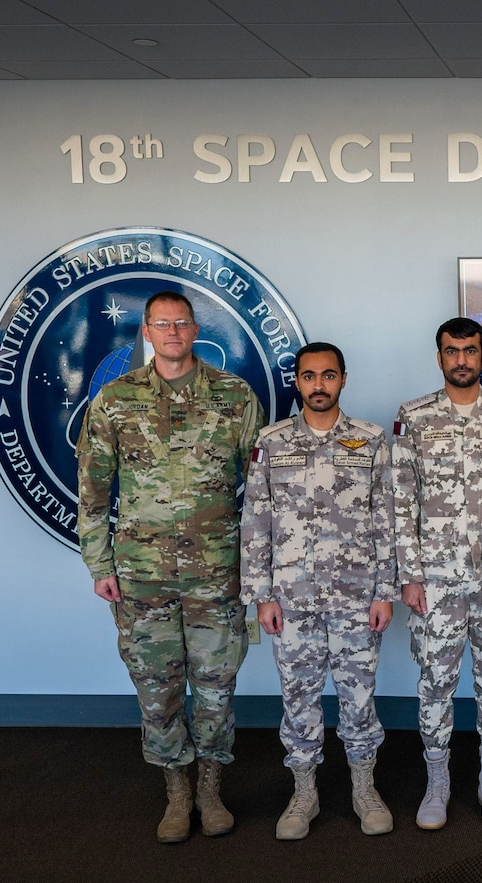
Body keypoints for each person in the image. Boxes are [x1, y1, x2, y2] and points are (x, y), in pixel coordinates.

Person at [77, 290, 261, 843]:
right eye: (162, 323)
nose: (173, 331)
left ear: (195, 327)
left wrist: (256, 566)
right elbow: (93, 488)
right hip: (142, 573)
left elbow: (262, 490)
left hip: (217, 571)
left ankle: (210, 786)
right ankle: (176, 791)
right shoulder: (115, 399)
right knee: (156, 687)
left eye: (181, 322)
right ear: (147, 332)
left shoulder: (234, 396)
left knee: (215, 684)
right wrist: (98, 561)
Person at [241, 342, 396, 841]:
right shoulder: (273, 440)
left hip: (356, 595)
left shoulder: (370, 440)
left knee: (358, 696)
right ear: (298, 382)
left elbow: (387, 520)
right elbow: (256, 520)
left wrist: (384, 591)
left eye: (328, 376)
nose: (319, 386)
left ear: (343, 380)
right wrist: (261, 594)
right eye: (309, 377)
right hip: (292, 597)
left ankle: (363, 787)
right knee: (299, 697)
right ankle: (304, 791)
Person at [392, 317, 482, 829]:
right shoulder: (414, 416)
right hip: (435, 579)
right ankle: (437, 783)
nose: (461, 360)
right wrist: (409, 574)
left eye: (470, 350)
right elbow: (401, 500)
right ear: (439, 357)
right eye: (452, 351)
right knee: (435, 682)